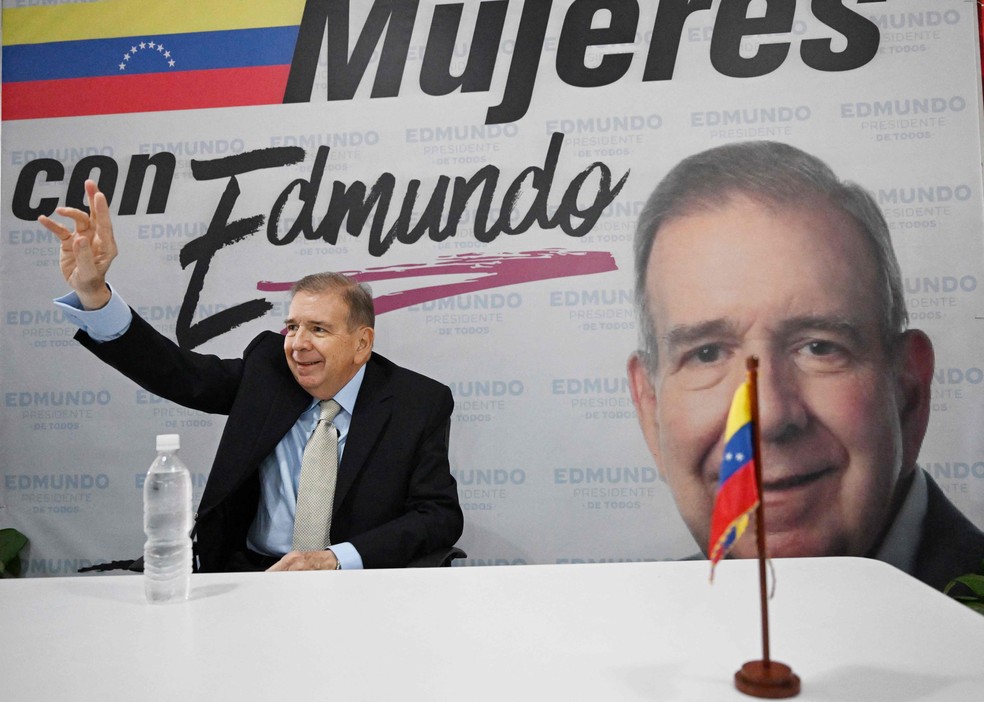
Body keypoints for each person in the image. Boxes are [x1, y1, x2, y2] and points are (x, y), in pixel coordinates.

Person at [41, 180, 464, 573]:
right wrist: (95, 294)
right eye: (292, 326)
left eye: (318, 329)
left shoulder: (417, 402)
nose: (298, 344)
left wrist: (334, 560)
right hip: (251, 572)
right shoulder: (268, 374)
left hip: (355, 583)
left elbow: (438, 516)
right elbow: (175, 373)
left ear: (362, 343)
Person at [626, 141, 984, 591]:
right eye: (707, 354)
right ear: (649, 409)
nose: (769, 416)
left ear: (909, 396)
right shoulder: (620, 641)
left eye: (819, 347)